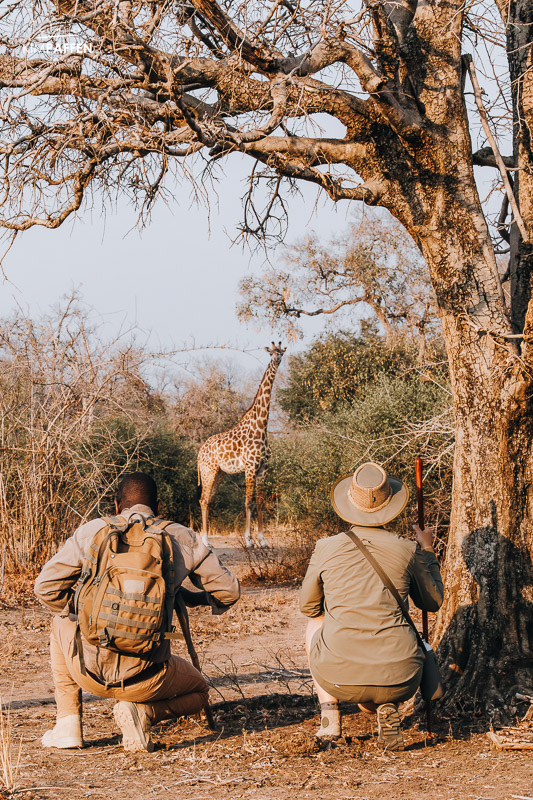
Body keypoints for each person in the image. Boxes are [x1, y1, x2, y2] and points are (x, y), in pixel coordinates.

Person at [35, 472, 240, 752]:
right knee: (199, 690)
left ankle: (68, 723)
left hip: (88, 672)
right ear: (158, 506)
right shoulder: (180, 536)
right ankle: (144, 713)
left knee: (61, 620)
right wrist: (193, 597)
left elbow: (45, 588)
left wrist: (84, 609)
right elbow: (229, 592)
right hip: (148, 678)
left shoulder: (92, 531)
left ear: (117, 505)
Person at [300, 461, 443, 751]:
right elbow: (433, 602)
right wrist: (427, 551)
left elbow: (308, 606)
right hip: (402, 679)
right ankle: (385, 705)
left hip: (339, 678)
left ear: (348, 503)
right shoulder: (407, 549)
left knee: (314, 624)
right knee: (385, 662)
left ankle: (330, 718)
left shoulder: (325, 547)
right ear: (390, 505)